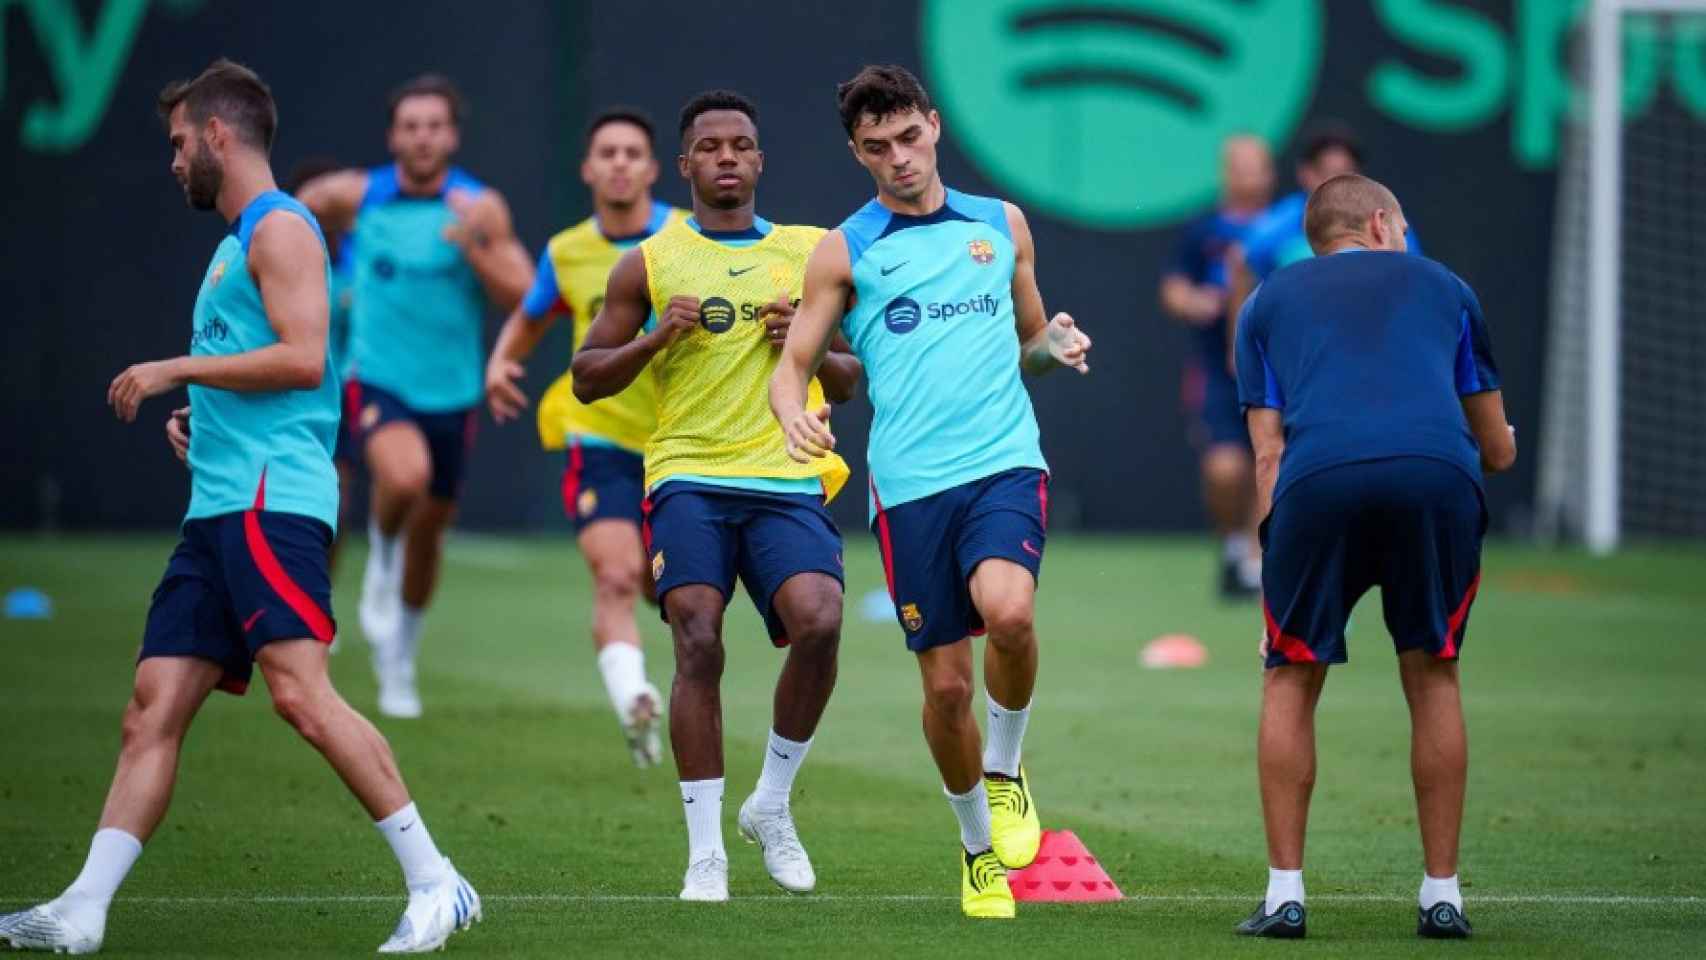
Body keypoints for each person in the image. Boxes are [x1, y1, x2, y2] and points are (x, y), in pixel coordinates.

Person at [0, 60, 478, 956]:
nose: (174, 161)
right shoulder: (231, 246)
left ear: (219, 134)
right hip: (217, 505)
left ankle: (435, 881)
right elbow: (258, 365)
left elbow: (303, 359)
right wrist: (200, 417)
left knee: (300, 696)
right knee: (152, 707)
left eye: (179, 143)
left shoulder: (283, 226)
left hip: (272, 504)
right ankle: (82, 909)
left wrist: (173, 371)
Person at [769, 65, 1093, 920]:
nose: (898, 159)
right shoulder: (845, 248)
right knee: (945, 691)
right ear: (856, 152)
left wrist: (1051, 348)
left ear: (935, 126)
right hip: (910, 490)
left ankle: (1006, 767)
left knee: (1012, 613)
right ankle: (978, 849)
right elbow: (794, 361)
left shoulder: (1000, 224)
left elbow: (1030, 339)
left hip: (1002, 462)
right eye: (876, 147)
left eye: (908, 137)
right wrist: (791, 415)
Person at [571, 90, 864, 902]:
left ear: (761, 160)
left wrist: (800, 340)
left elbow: (849, 374)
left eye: (742, 144)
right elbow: (585, 378)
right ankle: (706, 852)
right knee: (696, 635)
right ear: (687, 164)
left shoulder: (810, 253)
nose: (727, 157)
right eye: (711, 146)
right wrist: (656, 336)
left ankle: (771, 802)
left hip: (784, 475)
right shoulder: (652, 259)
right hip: (688, 474)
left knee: (822, 620)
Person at [1232, 174, 1515, 940]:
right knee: (1433, 670)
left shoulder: (1263, 303)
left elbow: (1267, 452)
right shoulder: (1448, 288)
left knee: (1290, 675)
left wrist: (1271, 565)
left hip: (1318, 481)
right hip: (1436, 478)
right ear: (1385, 223)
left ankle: (1286, 894)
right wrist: (1500, 445)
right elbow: (1493, 445)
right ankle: (1442, 895)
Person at [298, 75, 533, 718]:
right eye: (410, 125)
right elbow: (294, 211)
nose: (422, 136)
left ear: (452, 135)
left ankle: (399, 656)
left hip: (452, 393)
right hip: (377, 379)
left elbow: (524, 296)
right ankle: (379, 555)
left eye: (434, 125)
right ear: (392, 135)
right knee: (403, 479)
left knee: (430, 533)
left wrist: (477, 247)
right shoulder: (356, 196)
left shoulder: (478, 208)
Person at [485, 107, 686, 766]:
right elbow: (532, 314)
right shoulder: (567, 250)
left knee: (674, 591)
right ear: (589, 168)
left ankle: (661, 697)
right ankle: (632, 697)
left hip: (682, 446)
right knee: (616, 577)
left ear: (654, 168)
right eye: (608, 152)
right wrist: (501, 362)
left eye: (633, 152)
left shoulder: (688, 238)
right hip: (598, 439)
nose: (621, 162)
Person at [1158, 135, 1274, 599]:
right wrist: (1194, 301)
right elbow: (1173, 288)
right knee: (1226, 468)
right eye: (1238, 167)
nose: (1247, 176)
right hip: (1217, 370)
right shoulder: (1203, 231)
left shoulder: (1288, 226)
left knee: (1273, 461)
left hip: (1277, 371)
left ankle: (1259, 558)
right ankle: (1233, 545)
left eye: (1256, 167)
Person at [282, 157, 359, 576]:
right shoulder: (281, 257)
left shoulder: (361, 257)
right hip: (290, 398)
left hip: (342, 399)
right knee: (290, 505)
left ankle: (319, 596)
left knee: (337, 503)